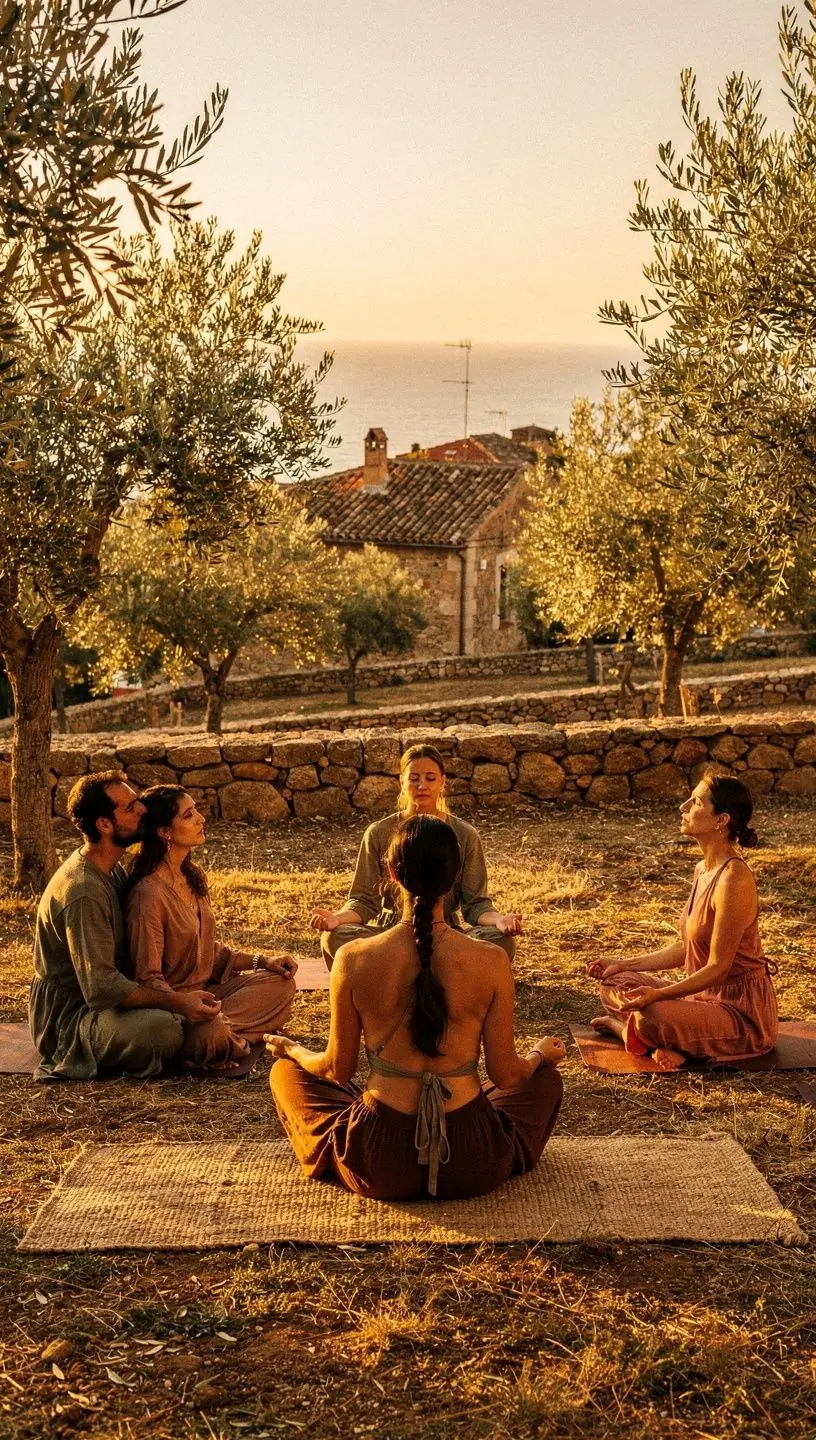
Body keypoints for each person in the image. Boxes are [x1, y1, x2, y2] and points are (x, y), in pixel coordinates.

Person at [268, 815, 564, 1200]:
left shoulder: (353, 957)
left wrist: (291, 1050)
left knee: (285, 1074)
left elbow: (336, 1070)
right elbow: (506, 1075)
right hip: (472, 1160)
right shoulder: (491, 960)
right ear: (457, 874)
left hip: (378, 1161)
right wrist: (539, 1056)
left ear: (391, 872)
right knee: (545, 1081)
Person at [588, 771, 778, 1071]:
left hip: (738, 1012)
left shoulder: (734, 879)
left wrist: (659, 995)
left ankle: (626, 1030)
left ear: (721, 820)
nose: (684, 807)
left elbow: (718, 968)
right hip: (698, 997)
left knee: (651, 1015)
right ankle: (673, 1043)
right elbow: (686, 948)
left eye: (697, 802)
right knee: (614, 983)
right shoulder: (702, 869)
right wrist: (624, 964)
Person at [29, 771, 200, 1082]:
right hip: (73, 1017)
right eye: (130, 807)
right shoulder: (83, 891)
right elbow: (101, 988)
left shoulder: (112, 868)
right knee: (163, 1030)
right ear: (104, 825)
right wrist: (176, 1001)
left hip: (111, 1001)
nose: (142, 810)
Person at [126, 785, 297, 1069]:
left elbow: (209, 952)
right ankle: (233, 1038)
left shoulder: (190, 876)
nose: (201, 819)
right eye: (189, 815)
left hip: (212, 996)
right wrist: (185, 1004)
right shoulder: (148, 894)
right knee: (212, 1031)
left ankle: (229, 1039)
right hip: (176, 1009)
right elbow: (148, 978)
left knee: (280, 982)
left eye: (197, 812)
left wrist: (264, 960)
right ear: (165, 832)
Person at [310, 744, 522, 967]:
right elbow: (363, 902)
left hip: (444, 934)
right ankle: (435, 970)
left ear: (442, 781)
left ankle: (398, 972)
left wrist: (499, 920)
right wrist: (337, 919)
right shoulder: (379, 833)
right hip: (390, 934)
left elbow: (476, 904)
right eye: (414, 779)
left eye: (430, 778)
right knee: (336, 937)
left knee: (501, 941)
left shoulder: (465, 835)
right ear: (402, 782)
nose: (422, 786)